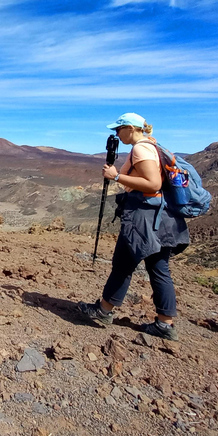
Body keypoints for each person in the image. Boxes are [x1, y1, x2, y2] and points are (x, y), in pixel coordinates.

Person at [79, 113, 189, 340]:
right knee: (159, 268)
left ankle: (103, 311)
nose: (116, 134)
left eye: (118, 130)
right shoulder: (154, 146)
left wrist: (116, 175)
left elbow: (153, 183)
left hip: (143, 216)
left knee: (123, 263)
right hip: (161, 215)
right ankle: (165, 324)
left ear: (130, 128)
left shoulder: (141, 149)